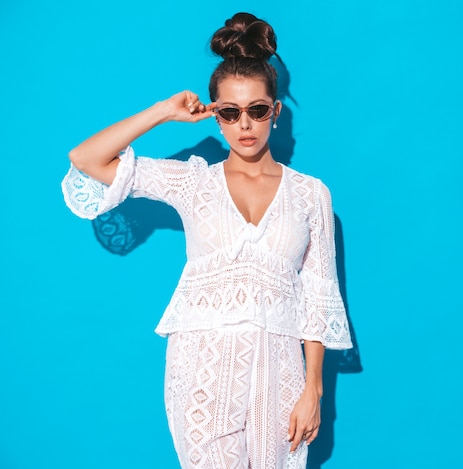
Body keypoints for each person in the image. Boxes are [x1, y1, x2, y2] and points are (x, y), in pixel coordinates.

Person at [61, 11, 352, 469]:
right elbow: (86, 159)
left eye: (257, 110)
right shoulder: (192, 183)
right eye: (230, 112)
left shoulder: (311, 194)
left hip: (280, 368)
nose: (245, 124)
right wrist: (164, 112)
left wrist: (312, 389)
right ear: (216, 118)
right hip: (201, 364)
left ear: (275, 112)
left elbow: (319, 296)